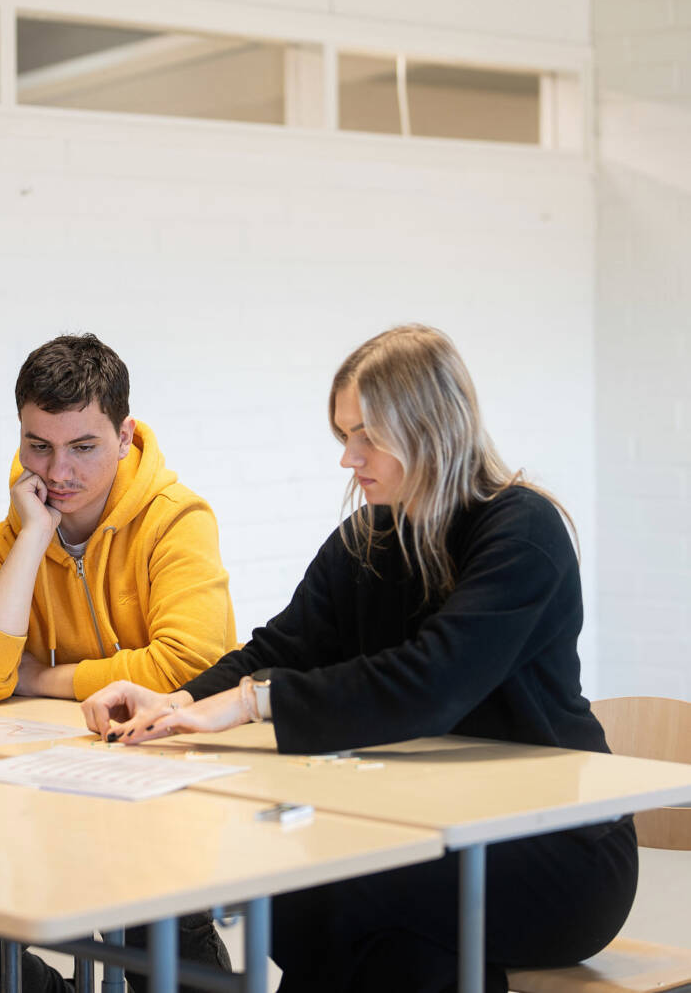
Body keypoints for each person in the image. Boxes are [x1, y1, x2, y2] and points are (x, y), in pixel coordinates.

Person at [82, 324, 638, 993]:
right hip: (438, 822)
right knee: (356, 917)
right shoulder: (370, 536)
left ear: (430, 426)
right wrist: (179, 703)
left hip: (561, 849)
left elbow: (430, 683)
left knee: (343, 892)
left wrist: (253, 702)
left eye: (366, 435)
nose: (349, 457)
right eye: (345, 435)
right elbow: (279, 646)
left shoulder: (521, 531)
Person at [0, 333, 237, 992]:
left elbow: (191, 664)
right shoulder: (12, 536)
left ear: (124, 437)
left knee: (159, 924)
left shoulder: (177, 521)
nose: (57, 471)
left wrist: (39, 678)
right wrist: (35, 538)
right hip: (49, 794)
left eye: (83, 447)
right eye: (39, 445)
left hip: (163, 802)